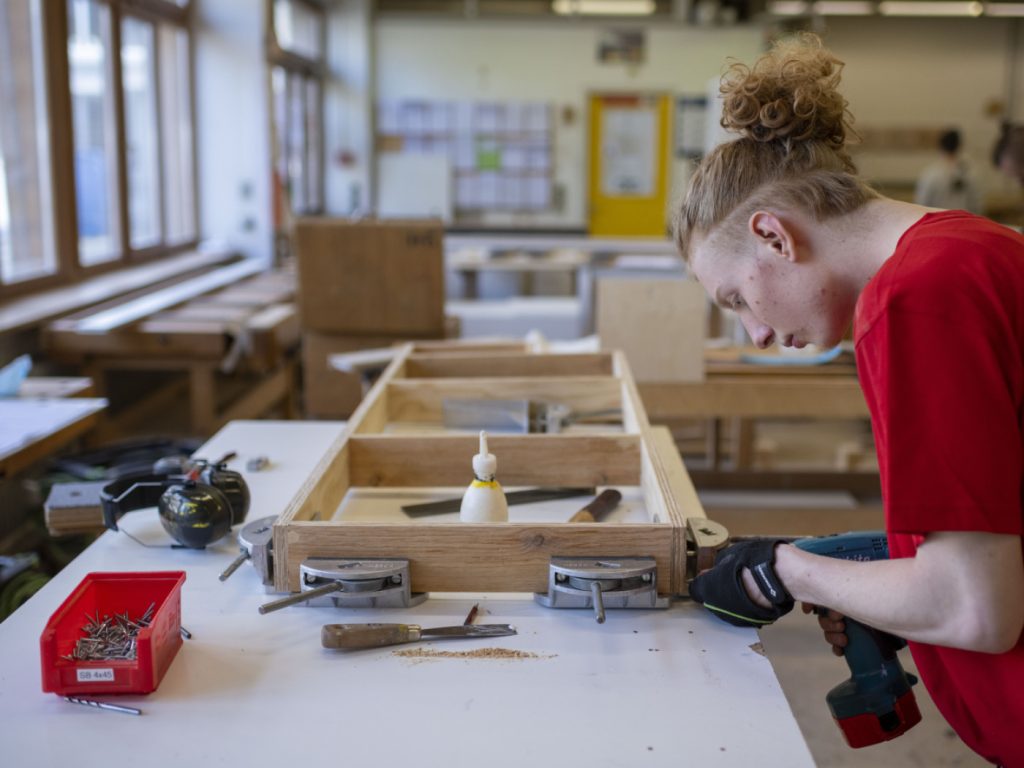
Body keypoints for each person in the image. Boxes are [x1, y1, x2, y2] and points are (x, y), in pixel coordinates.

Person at [678, 33, 1024, 767]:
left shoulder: (912, 301)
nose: (759, 332)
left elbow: (977, 608)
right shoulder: (978, 247)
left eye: (738, 298)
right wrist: (876, 573)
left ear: (774, 236)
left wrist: (787, 568)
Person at [914, 128, 982, 214]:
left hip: (938, 223)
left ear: (940, 147)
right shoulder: (971, 172)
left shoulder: (931, 174)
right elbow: (976, 204)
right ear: (959, 146)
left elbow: (922, 203)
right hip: (964, 221)